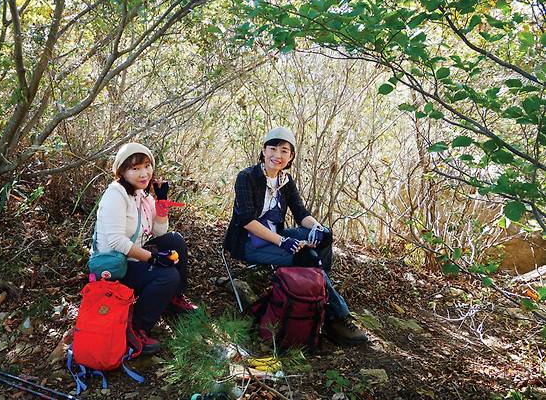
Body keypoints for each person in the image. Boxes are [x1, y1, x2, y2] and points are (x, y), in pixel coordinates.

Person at [223, 127, 368, 346]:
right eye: (272, 149)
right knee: (306, 257)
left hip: (277, 236)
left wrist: (317, 228)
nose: (277, 155)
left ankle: (318, 294)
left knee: (325, 237)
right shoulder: (247, 177)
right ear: (263, 151)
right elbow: (246, 220)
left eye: (284, 151)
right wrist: (283, 241)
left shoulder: (285, 182)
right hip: (248, 242)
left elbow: (301, 214)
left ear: (291, 156)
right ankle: (336, 317)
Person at [91, 142, 197, 355]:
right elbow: (116, 242)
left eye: (147, 166)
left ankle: (173, 299)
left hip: (133, 257)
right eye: (135, 168)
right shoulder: (116, 194)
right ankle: (136, 328)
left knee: (174, 240)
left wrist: (162, 203)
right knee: (167, 275)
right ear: (122, 171)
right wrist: (153, 259)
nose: (143, 173)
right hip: (114, 266)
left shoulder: (142, 194)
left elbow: (159, 233)